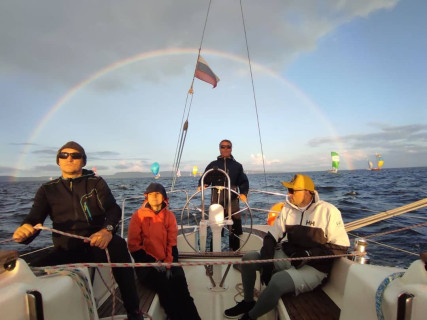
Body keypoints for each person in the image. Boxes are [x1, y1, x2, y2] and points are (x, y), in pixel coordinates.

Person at [12, 141, 143, 320]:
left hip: (96, 243)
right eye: (64, 155)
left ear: (83, 161)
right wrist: (25, 232)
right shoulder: (47, 190)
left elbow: (113, 209)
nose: (70, 158)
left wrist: (107, 230)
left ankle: (134, 310)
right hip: (66, 249)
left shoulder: (95, 183)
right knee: (26, 271)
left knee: (119, 247)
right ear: (58, 160)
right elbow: (34, 219)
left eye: (76, 155)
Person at [224, 174, 350, 320]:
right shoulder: (288, 209)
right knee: (248, 259)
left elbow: (341, 247)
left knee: (277, 281)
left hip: (314, 268)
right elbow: (271, 237)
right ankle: (248, 302)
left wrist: (308, 254)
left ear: (308, 192)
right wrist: (268, 262)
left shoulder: (328, 211)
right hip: (289, 257)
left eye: (293, 191)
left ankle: (249, 317)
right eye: (288, 190)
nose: (288, 194)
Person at [127, 183, 201, 320]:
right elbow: (133, 246)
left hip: (168, 261)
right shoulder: (138, 216)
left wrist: (169, 265)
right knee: (166, 288)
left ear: (164, 198)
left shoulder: (169, 217)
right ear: (146, 197)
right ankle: (173, 316)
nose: (154, 197)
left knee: (182, 288)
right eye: (151, 194)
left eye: (157, 194)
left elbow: (172, 244)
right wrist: (153, 263)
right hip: (146, 266)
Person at [198, 139, 249, 250]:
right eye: (223, 146)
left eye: (228, 147)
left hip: (233, 201)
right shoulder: (213, 165)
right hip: (217, 201)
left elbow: (244, 181)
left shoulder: (238, 166)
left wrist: (244, 193)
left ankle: (235, 253)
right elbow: (204, 178)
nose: (225, 149)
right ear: (219, 148)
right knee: (215, 229)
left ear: (231, 149)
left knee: (234, 229)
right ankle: (213, 253)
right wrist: (202, 184)